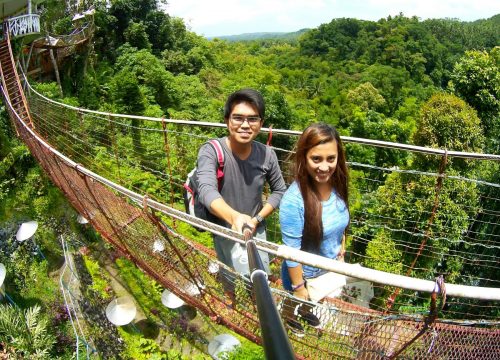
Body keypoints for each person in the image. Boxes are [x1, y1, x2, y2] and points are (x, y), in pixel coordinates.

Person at [196, 88, 286, 284]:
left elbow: (279, 190)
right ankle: (230, 305)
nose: (245, 125)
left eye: (253, 119)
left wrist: (257, 218)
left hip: (256, 228)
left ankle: (253, 307)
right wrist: (234, 218)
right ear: (227, 120)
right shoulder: (211, 151)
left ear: (261, 124)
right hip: (224, 227)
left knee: (257, 279)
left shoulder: (267, 154)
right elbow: (206, 190)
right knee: (228, 272)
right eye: (238, 118)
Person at [280, 123, 350, 333]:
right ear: (304, 157)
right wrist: (298, 287)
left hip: (328, 268)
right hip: (304, 275)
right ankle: (288, 314)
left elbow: (341, 220)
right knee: (299, 298)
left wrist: (341, 247)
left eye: (331, 159)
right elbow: (291, 252)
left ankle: (304, 311)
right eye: (316, 159)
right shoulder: (294, 201)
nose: (324, 167)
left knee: (313, 300)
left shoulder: (337, 183)